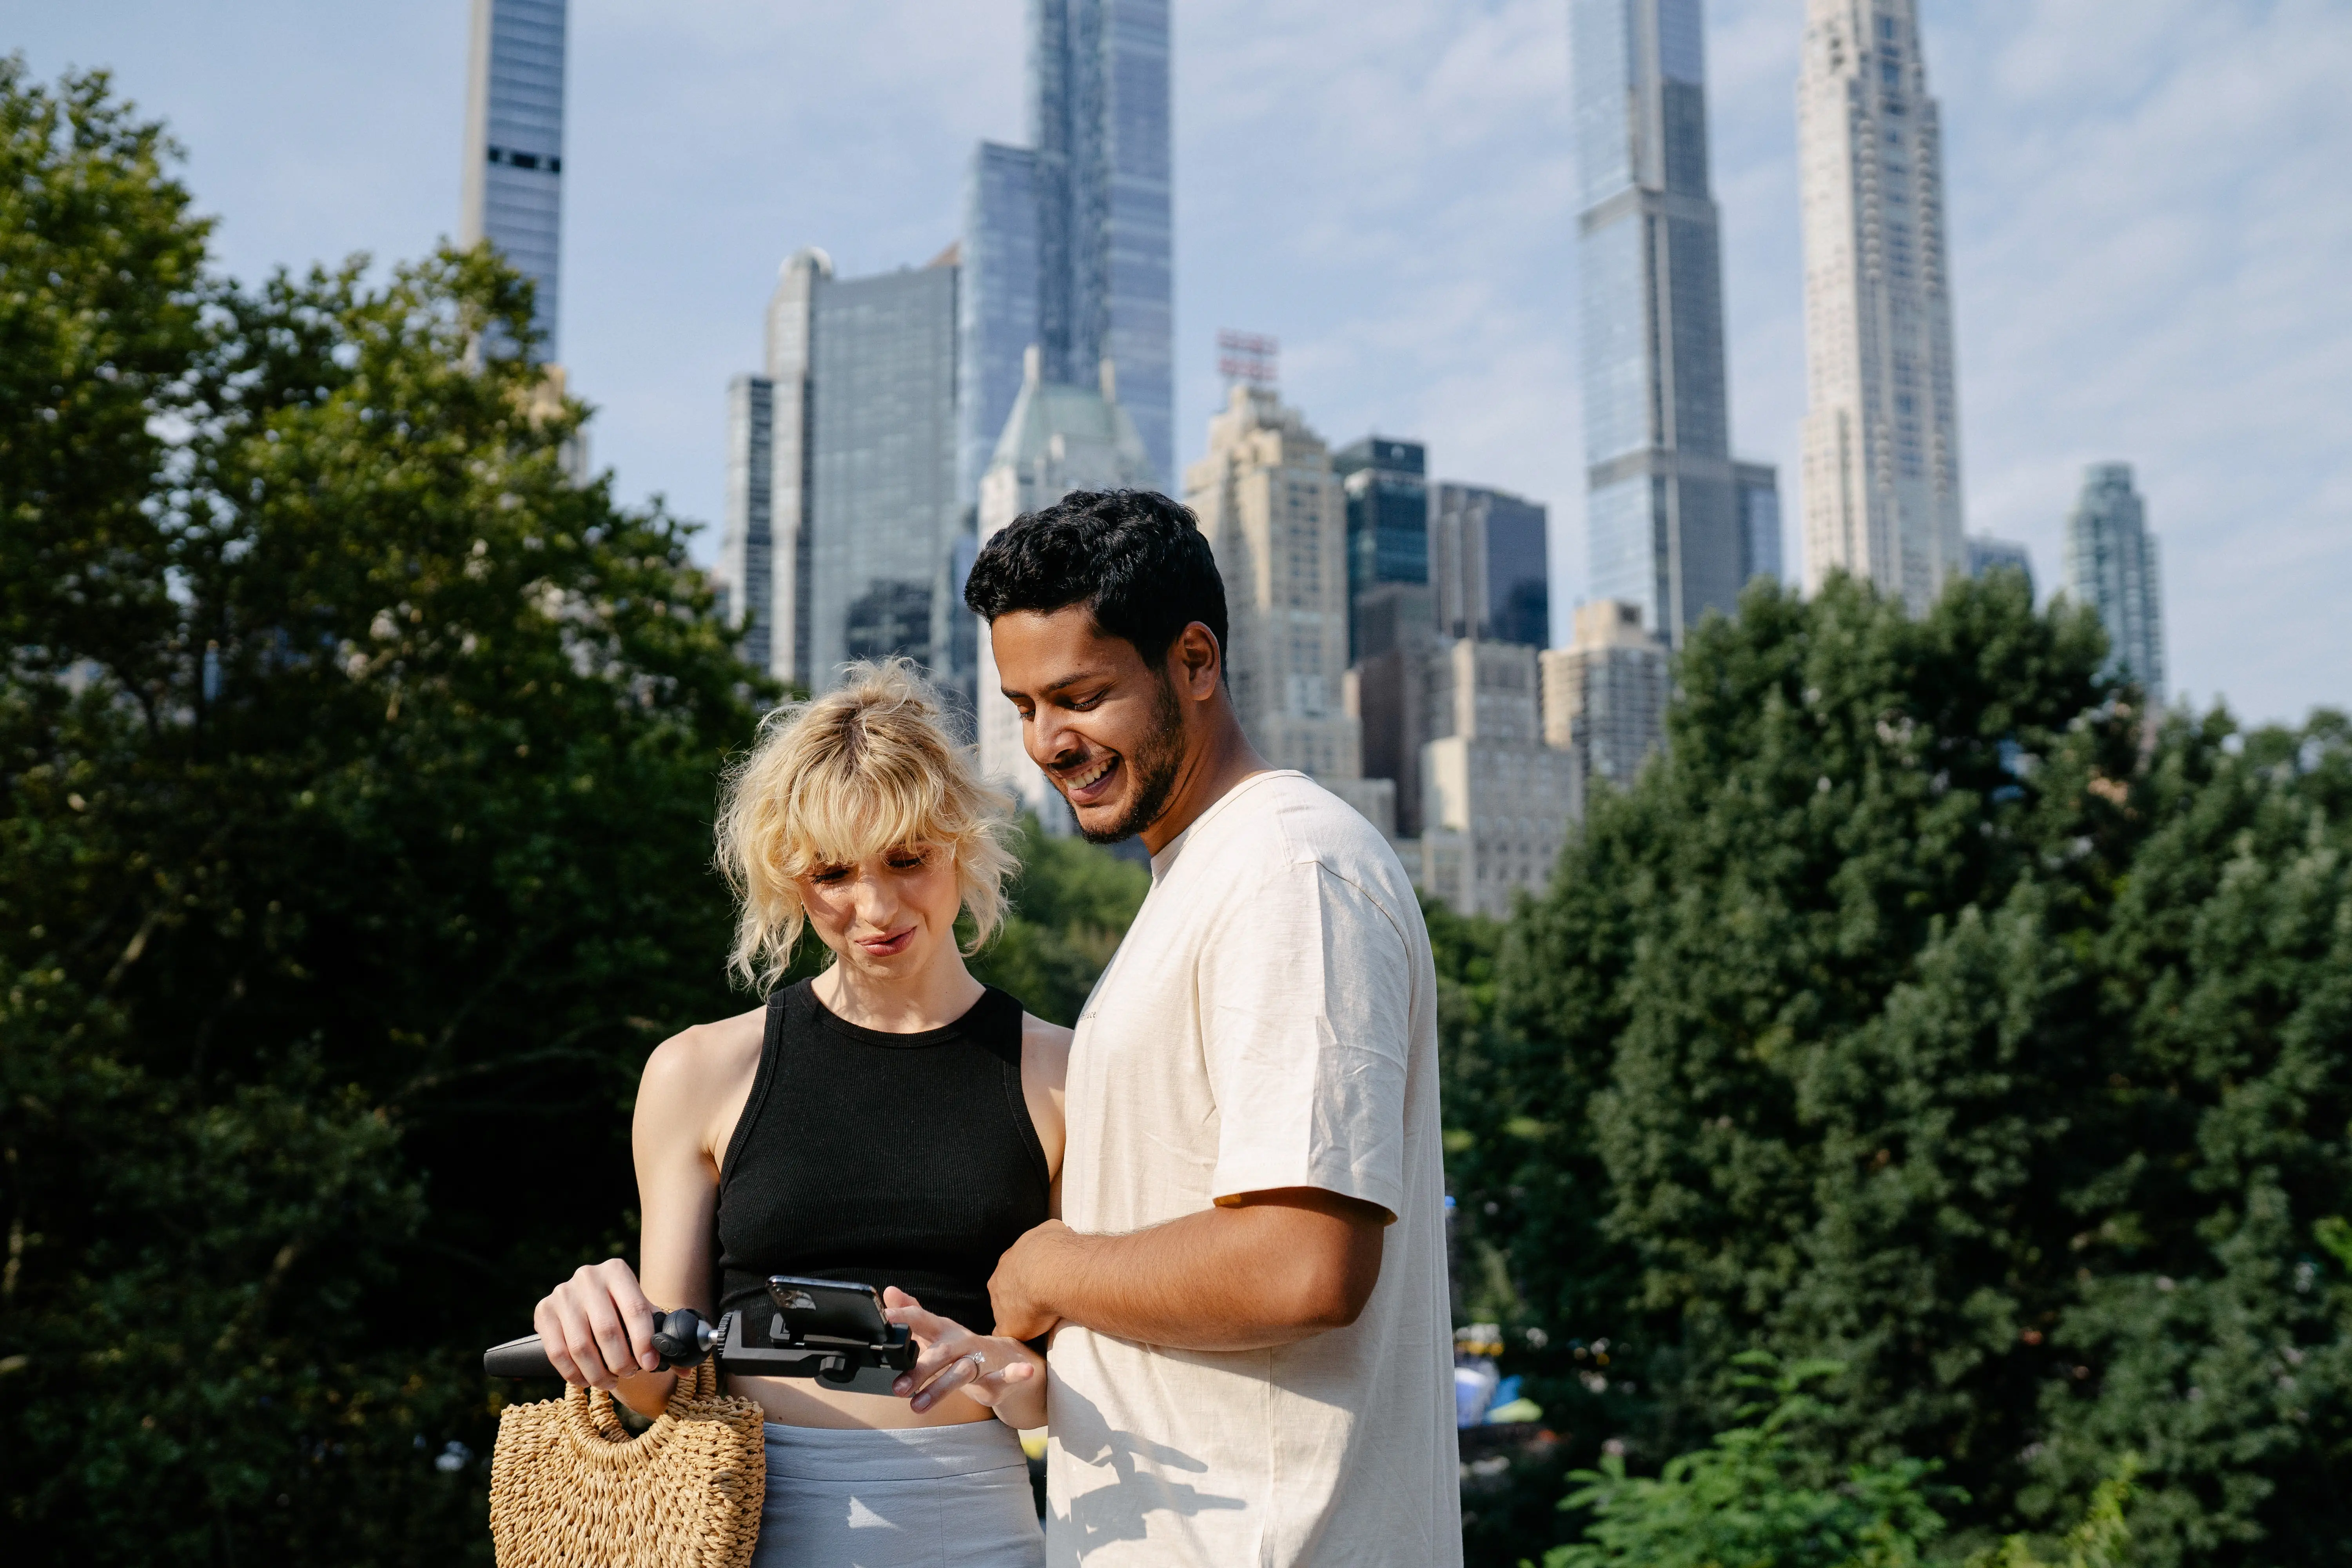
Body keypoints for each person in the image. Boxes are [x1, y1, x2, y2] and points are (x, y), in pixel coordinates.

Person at [960, 490, 1461, 1566]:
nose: (1051, 742)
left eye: (1083, 696)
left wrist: (1052, 1267)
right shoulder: (1203, 879)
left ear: (1195, 661)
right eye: (1023, 706)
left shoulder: (1291, 870)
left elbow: (1302, 1265)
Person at [531, 660, 1063, 1568]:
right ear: (787, 874)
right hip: (742, 1526)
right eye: (832, 873)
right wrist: (601, 1329)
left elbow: (1092, 1384)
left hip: (977, 1527)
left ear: (962, 844)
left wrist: (1003, 1368)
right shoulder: (697, 1071)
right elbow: (662, 1387)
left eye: (907, 858)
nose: (876, 906)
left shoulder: (1065, 1073)